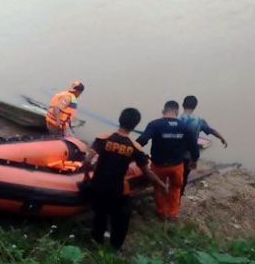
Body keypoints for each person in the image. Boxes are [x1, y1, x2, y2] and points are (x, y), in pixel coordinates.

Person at [83, 108, 167, 251]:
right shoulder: (135, 147)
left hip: (98, 184)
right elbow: (147, 172)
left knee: (100, 214)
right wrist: (161, 184)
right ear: (135, 125)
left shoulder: (103, 138)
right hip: (117, 189)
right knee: (122, 217)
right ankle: (115, 246)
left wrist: (86, 176)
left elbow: (87, 161)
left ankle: (96, 241)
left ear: (120, 119)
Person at [136, 101, 198, 220]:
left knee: (159, 187)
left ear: (164, 111)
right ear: (177, 111)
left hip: (159, 165)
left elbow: (142, 140)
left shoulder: (155, 124)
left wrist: (132, 151)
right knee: (175, 188)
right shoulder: (185, 127)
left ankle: (162, 212)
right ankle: (173, 213)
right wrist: (194, 160)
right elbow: (193, 147)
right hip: (177, 166)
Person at [178, 95, 228, 196]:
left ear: (182, 105)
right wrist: (222, 138)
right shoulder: (199, 120)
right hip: (190, 155)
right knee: (184, 176)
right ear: (195, 106)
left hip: (175, 154)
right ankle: (178, 198)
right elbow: (211, 130)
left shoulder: (175, 119)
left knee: (174, 175)